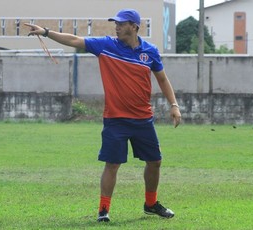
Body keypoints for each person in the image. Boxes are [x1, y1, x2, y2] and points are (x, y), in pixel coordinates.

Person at [25, 8, 181, 222]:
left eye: (121, 23)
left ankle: (151, 204)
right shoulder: (107, 46)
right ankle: (103, 210)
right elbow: (74, 40)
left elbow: (163, 79)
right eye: (115, 23)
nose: (116, 27)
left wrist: (174, 105)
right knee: (112, 164)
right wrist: (46, 32)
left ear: (134, 26)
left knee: (155, 162)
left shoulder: (150, 52)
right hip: (115, 119)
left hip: (143, 119)